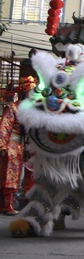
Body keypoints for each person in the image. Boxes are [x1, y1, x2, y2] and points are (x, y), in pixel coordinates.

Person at [0, 83, 25, 215]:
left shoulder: (30, 109)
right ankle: (6, 205)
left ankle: (16, 202)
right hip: (11, 145)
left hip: (22, 145)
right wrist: (2, 145)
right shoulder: (12, 108)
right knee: (9, 175)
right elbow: (5, 127)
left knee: (17, 177)